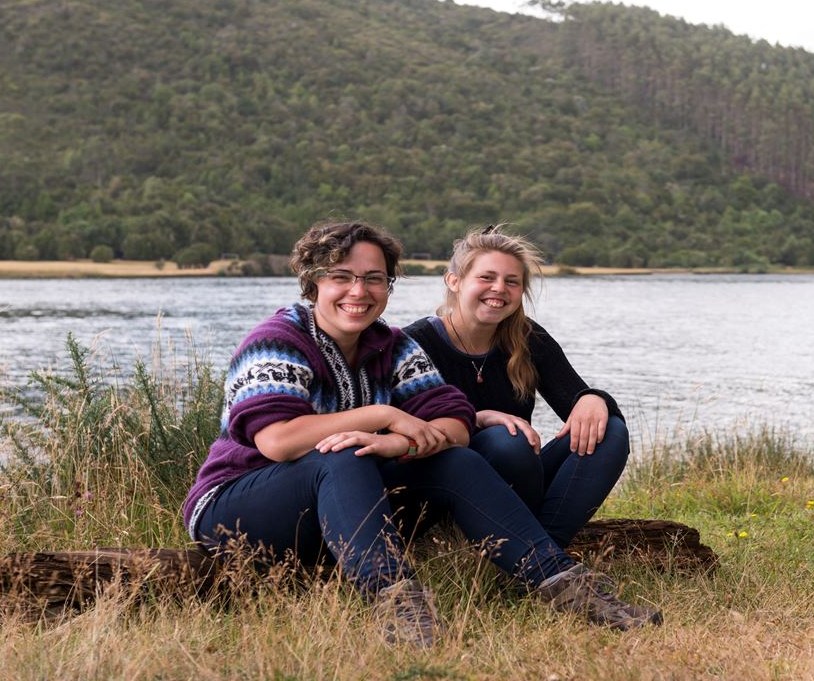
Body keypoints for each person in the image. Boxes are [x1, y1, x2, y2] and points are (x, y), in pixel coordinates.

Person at [181, 221, 659, 648]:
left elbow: (454, 424)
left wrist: (401, 442)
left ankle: (563, 584)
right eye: (342, 277)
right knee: (340, 454)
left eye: (374, 278)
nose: (359, 291)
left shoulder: (393, 345)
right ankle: (401, 608)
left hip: (347, 508)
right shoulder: (279, 340)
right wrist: (382, 415)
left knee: (456, 460)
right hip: (242, 508)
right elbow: (278, 441)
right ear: (314, 282)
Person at [403, 226, 629, 549]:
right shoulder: (415, 345)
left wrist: (593, 398)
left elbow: (574, 400)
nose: (499, 288)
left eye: (512, 281)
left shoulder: (527, 337)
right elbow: (402, 434)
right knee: (506, 441)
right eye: (486, 277)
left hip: (521, 486)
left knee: (610, 430)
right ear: (454, 281)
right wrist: (477, 418)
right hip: (450, 494)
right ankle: (534, 555)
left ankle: (543, 551)